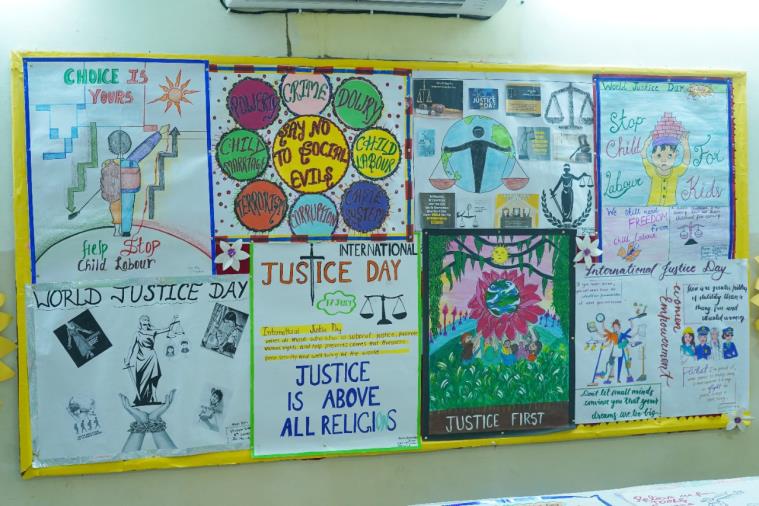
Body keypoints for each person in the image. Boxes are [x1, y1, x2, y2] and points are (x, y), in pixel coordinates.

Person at [124, 315, 178, 406]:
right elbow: (131, 348)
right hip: (141, 359)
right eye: (143, 320)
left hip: (152, 356)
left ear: (149, 322)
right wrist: (128, 359)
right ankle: (141, 399)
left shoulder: (153, 331)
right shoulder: (137, 334)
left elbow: (168, 329)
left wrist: (174, 320)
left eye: (147, 320)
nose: (145, 321)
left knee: (154, 376)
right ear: (140, 322)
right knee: (141, 379)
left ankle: (154, 397)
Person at [640, 113, 691, 206]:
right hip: (652, 208)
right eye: (659, 156)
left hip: (671, 209)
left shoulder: (676, 172)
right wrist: (646, 143)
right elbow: (643, 155)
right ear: (652, 156)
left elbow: (686, 162)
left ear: (676, 155)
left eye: (669, 156)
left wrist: (686, 146)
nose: (664, 160)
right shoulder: (652, 171)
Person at [443, 125, 512, 193]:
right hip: (477, 163)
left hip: (479, 163)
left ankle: (477, 190)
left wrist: (449, 149)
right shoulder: (481, 143)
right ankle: (477, 190)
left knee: (478, 177)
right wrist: (506, 149)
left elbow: (459, 148)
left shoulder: (476, 143)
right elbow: (459, 148)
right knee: (477, 177)